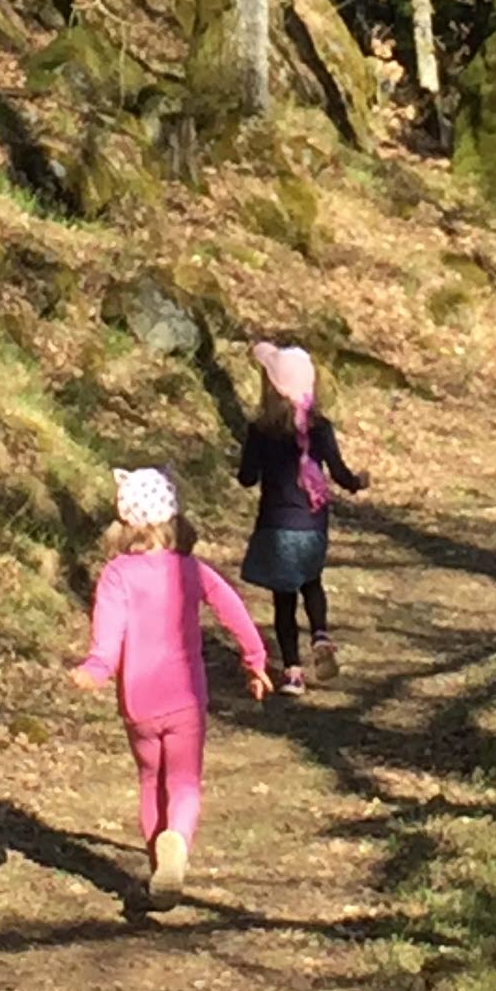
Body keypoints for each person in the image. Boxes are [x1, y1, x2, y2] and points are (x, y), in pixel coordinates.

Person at [71, 467, 272, 896]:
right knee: (183, 783)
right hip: (185, 700)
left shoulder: (117, 575)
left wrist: (95, 670)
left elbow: (107, 641)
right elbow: (232, 611)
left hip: (139, 704)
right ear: (173, 520)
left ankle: (157, 867)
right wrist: (255, 660)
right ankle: (176, 845)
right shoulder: (191, 569)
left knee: (150, 782)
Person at [238, 342, 368, 694]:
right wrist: (357, 482)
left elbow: (247, 478)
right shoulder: (320, 427)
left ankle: (293, 672)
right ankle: (321, 635)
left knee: (284, 598)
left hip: (276, 525)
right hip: (313, 524)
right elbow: (340, 473)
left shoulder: (260, 431)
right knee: (312, 581)